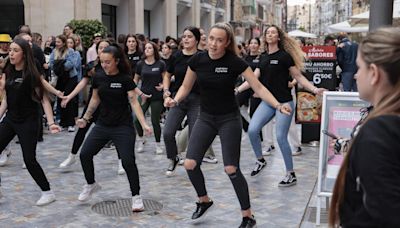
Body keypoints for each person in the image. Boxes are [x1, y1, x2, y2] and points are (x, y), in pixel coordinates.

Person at [164, 22, 291, 227]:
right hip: (206, 117)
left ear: (227, 43)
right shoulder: (198, 59)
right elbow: (186, 86)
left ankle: (248, 216)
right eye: (211, 38)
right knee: (189, 164)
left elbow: (257, 86)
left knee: (231, 168)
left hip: (228, 119)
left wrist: (278, 105)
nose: (213, 44)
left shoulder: (234, 62)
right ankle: (203, 200)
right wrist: (175, 100)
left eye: (219, 40)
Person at [329, 27, 400, 227]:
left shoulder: (380, 130)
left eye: (360, 68)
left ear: (374, 73)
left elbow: (385, 212)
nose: (356, 76)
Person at [236, 25, 324, 182]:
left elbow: (298, 76)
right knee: (252, 130)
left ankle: (290, 173)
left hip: (285, 102)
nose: (270, 35)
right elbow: (253, 80)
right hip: (268, 103)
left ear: (278, 37)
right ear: (265, 37)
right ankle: (260, 160)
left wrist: (314, 89)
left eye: (273, 33)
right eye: (268, 33)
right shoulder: (262, 57)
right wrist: (237, 90)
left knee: (281, 137)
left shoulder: (285, 56)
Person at [76, 45, 152, 212]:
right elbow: (94, 100)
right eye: (102, 62)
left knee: (127, 162)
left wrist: (144, 124)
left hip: (123, 127)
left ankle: (136, 197)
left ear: (117, 61)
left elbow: (134, 102)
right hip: (102, 125)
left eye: (108, 62)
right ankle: (91, 184)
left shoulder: (125, 79)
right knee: (84, 154)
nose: (104, 65)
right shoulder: (98, 77)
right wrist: (85, 118)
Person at [0, 38, 61, 206]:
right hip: (11, 118)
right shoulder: (9, 70)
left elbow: (43, 100)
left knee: (29, 160)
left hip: (29, 121)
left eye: (15, 50)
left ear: (24, 54)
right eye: (10, 50)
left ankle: (48, 192)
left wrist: (51, 122)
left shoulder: (31, 74)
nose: (11, 53)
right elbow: (6, 99)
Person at [162, 26, 217, 177]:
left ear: (197, 40)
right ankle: (173, 158)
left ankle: (193, 164)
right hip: (178, 99)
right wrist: (166, 91)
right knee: (167, 133)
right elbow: (167, 75)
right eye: (184, 36)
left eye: (189, 36)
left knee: (194, 136)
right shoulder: (176, 56)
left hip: (198, 100)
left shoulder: (203, 56)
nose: (185, 39)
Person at [134, 41, 166, 154]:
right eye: (146, 48)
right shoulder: (140, 64)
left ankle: (158, 145)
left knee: (154, 121)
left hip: (156, 96)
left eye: (150, 48)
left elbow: (165, 79)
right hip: (143, 96)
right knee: (136, 120)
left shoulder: (160, 64)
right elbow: (135, 80)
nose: (147, 50)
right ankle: (141, 140)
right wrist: (134, 91)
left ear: (154, 50)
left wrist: (163, 86)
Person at [49, 35, 80, 132]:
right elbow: (51, 63)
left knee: (68, 98)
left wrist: (60, 64)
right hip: (60, 79)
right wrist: (60, 64)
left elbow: (71, 64)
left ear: (63, 42)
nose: (57, 44)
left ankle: (70, 123)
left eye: (58, 42)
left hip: (70, 78)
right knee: (60, 98)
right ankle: (63, 122)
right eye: (56, 42)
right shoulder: (54, 52)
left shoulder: (70, 51)